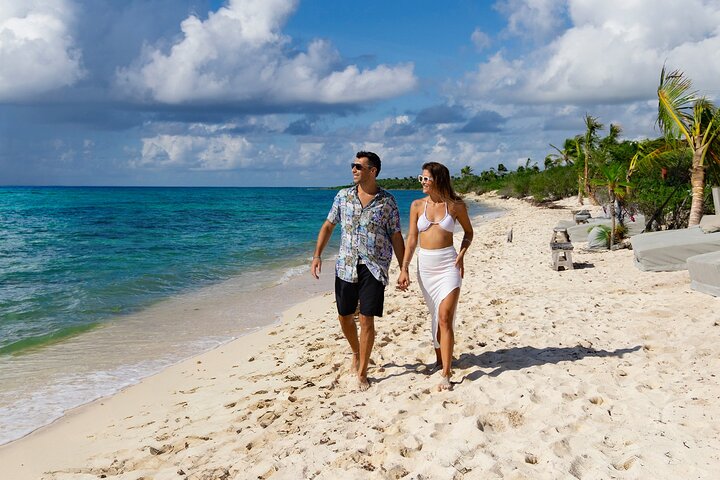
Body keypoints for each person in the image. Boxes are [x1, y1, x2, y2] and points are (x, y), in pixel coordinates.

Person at [311, 151, 406, 391]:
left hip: (374, 266)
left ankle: (363, 372)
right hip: (345, 264)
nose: (353, 170)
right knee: (344, 316)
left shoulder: (387, 201)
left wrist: (403, 268)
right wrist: (317, 255)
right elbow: (328, 225)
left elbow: (396, 235)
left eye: (358, 167)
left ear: (372, 171)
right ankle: (356, 352)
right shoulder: (343, 197)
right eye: (352, 166)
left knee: (366, 319)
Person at [397, 162, 473, 391]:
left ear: (438, 180)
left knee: (444, 317)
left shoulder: (456, 206)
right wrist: (404, 268)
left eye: (426, 179)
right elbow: (411, 239)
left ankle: (446, 373)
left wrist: (462, 253)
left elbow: (469, 233)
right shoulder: (417, 205)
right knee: (435, 316)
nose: (422, 182)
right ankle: (440, 359)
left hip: (449, 265)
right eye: (421, 178)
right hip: (426, 267)